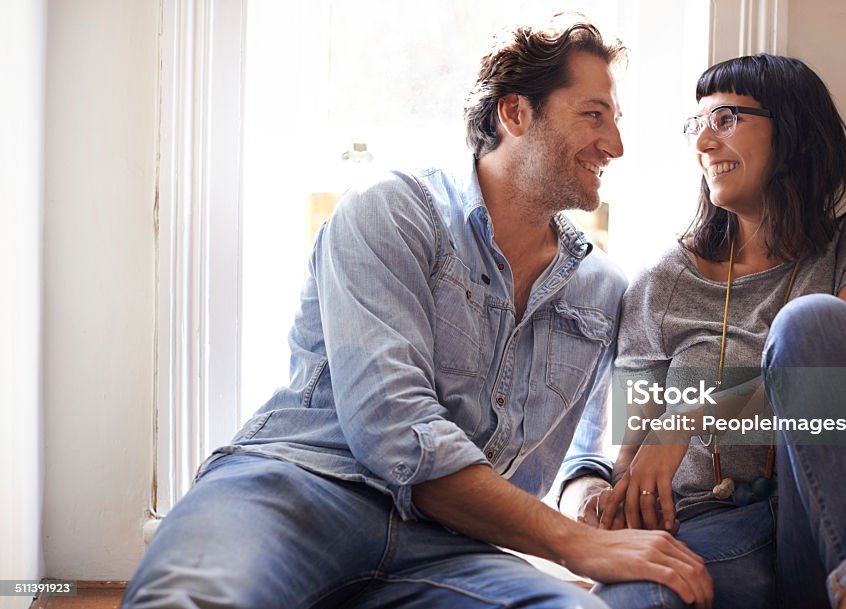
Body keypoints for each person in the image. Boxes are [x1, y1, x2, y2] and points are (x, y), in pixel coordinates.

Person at [122, 16, 714, 609]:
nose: (615, 144)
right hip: (298, 489)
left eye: (614, 120)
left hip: (455, 545)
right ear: (514, 114)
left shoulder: (603, 288)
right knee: (189, 602)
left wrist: (596, 483)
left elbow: (627, 422)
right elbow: (397, 430)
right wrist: (573, 543)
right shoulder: (394, 212)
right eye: (594, 115)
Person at [563, 55, 846, 609]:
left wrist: (691, 415)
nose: (704, 142)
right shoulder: (660, 284)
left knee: (812, 321)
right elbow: (632, 455)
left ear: (798, 136)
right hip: (716, 531)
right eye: (698, 125)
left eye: (726, 119)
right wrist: (602, 501)